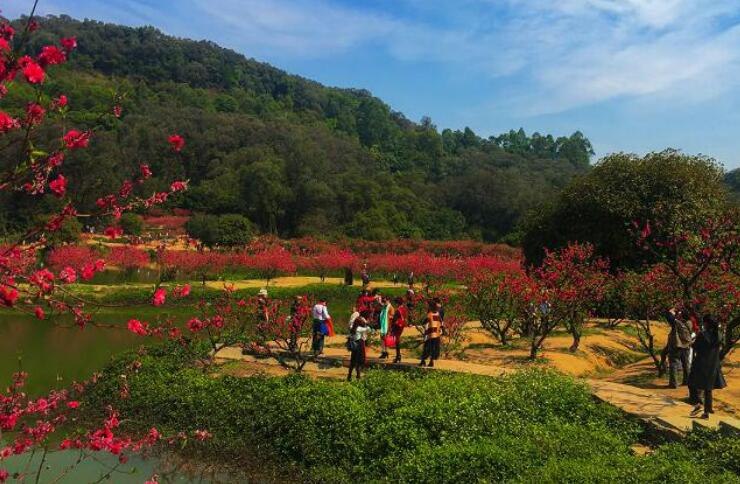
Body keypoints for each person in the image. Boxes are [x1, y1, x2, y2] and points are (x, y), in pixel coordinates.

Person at [688, 315, 726, 419]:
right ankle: (706, 412)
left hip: (701, 363)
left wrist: (692, 343)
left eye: (704, 322)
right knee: (708, 388)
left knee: (691, 383)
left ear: (707, 323)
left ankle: (698, 404)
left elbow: (695, 346)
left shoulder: (703, 335)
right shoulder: (719, 334)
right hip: (713, 364)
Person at [665, 308, 693, 388]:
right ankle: (687, 381)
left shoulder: (678, 323)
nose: (678, 315)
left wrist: (670, 311)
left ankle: (673, 383)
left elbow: (670, 318)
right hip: (686, 346)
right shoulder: (689, 323)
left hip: (677, 346)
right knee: (686, 364)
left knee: (673, 363)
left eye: (679, 314)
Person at [347, 311, 372, 381]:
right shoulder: (360, 329)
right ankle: (358, 376)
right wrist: (366, 324)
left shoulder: (353, 328)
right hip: (359, 345)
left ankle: (349, 376)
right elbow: (369, 330)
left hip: (354, 346)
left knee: (353, 361)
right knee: (359, 361)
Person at [419, 300, 443, 368]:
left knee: (426, 347)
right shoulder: (438, 314)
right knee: (433, 348)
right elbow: (441, 323)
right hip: (436, 334)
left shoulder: (429, 315)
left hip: (429, 334)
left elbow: (424, 322)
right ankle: (431, 361)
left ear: (431, 307)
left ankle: (423, 361)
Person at [391, 297, 408, 363]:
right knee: (397, 339)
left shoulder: (398, 310)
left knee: (397, 340)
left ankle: (398, 356)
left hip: (397, 326)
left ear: (397, 303)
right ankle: (398, 356)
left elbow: (394, 319)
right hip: (402, 325)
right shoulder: (404, 309)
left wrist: (391, 326)